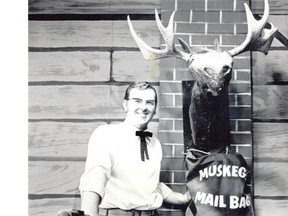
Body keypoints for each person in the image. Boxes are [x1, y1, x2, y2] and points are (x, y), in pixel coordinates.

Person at [79, 81, 190, 216]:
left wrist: (182, 198)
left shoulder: (155, 144)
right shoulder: (106, 134)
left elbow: (152, 185)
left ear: (155, 109)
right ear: (125, 105)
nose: (143, 107)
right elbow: (94, 181)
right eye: (137, 101)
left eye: (149, 102)